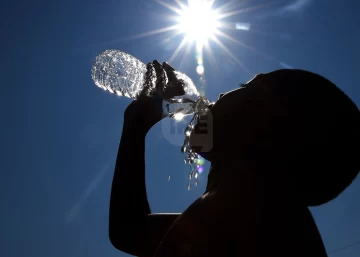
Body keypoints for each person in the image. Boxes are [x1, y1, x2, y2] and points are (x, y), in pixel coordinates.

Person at [109, 62, 360, 257]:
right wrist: (135, 125)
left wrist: (135, 127)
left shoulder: (252, 217)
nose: (220, 93)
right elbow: (129, 230)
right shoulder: (264, 217)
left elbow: (131, 232)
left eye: (243, 87)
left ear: (265, 125)